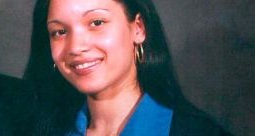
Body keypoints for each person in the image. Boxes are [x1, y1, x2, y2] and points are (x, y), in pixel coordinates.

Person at [25, 0, 233, 135]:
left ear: (138, 28)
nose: (76, 47)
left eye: (97, 22)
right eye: (59, 32)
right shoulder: (36, 128)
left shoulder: (199, 132)